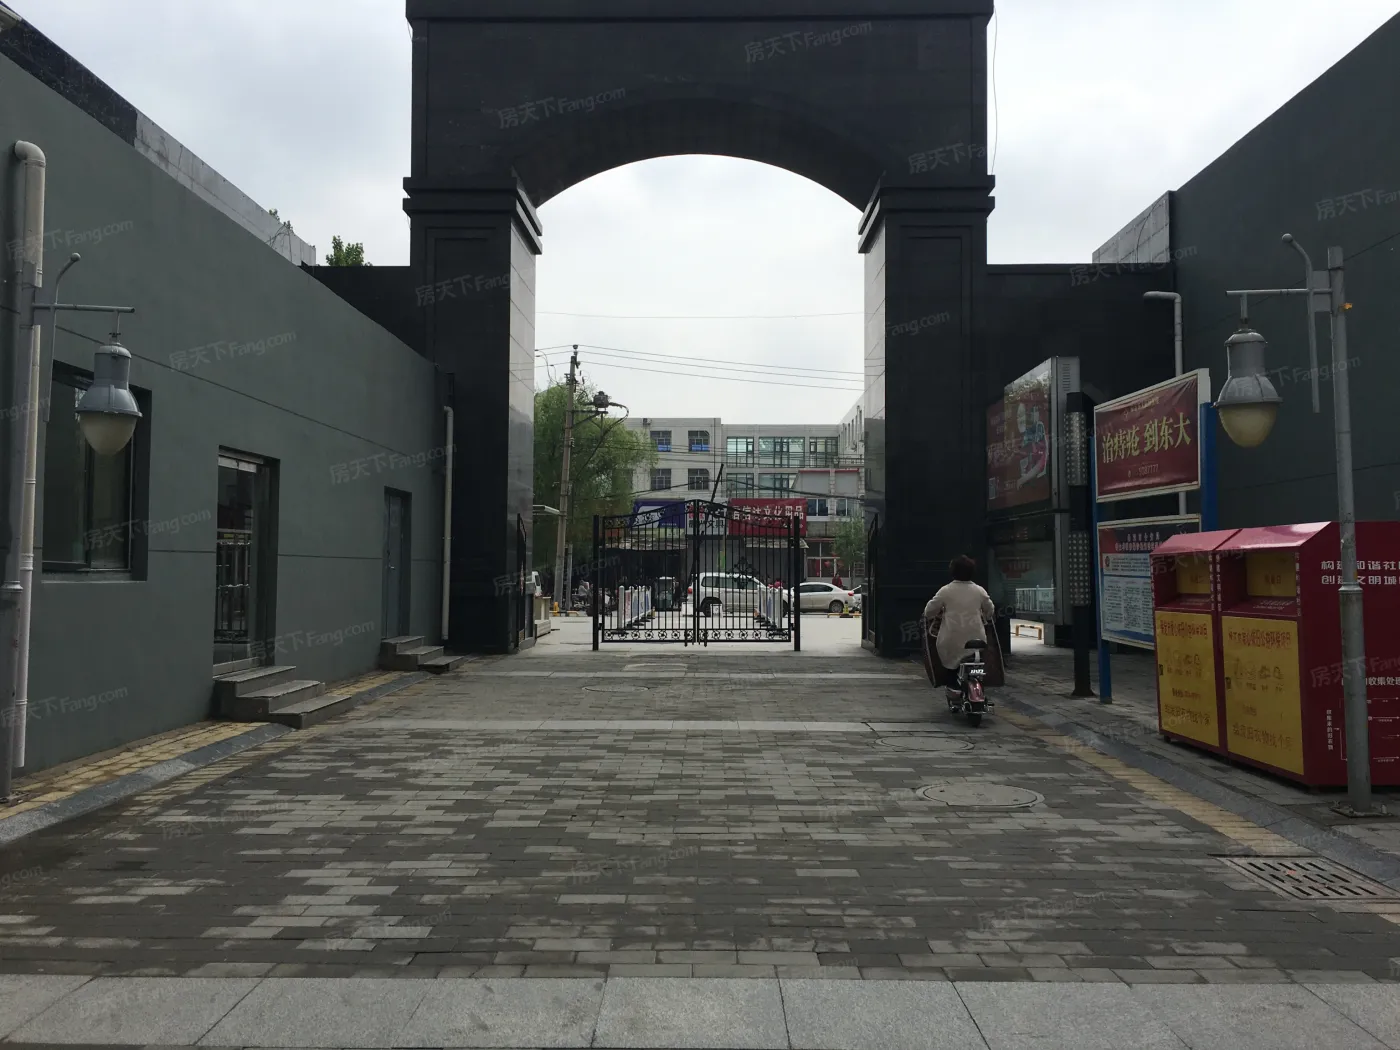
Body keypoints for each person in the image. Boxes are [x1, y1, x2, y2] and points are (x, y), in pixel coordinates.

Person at [923, 555, 995, 690]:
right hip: (977, 639)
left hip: (951, 640)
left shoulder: (945, 591)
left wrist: (936, 615)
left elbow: (929, 611)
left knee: (950, 666)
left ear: (952, 572)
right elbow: (990, 610)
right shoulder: (979, 591)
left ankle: (952, 685)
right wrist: (984, 617)